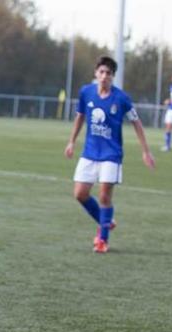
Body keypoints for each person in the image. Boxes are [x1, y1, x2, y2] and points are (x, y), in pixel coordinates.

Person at [64, 56, 156, 254]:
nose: (104, 76)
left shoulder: (121, 98)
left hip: (111, 154)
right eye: (101, 72)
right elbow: (80, 117)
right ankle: (105, 221)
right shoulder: (86, 92)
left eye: (109, 73)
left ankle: (102, 239)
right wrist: (71, 141)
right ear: (96, 74)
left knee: (104, 196)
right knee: (80, 194)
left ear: (113, 77)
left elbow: (137, 123)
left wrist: (145, 151)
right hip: (89, 152)